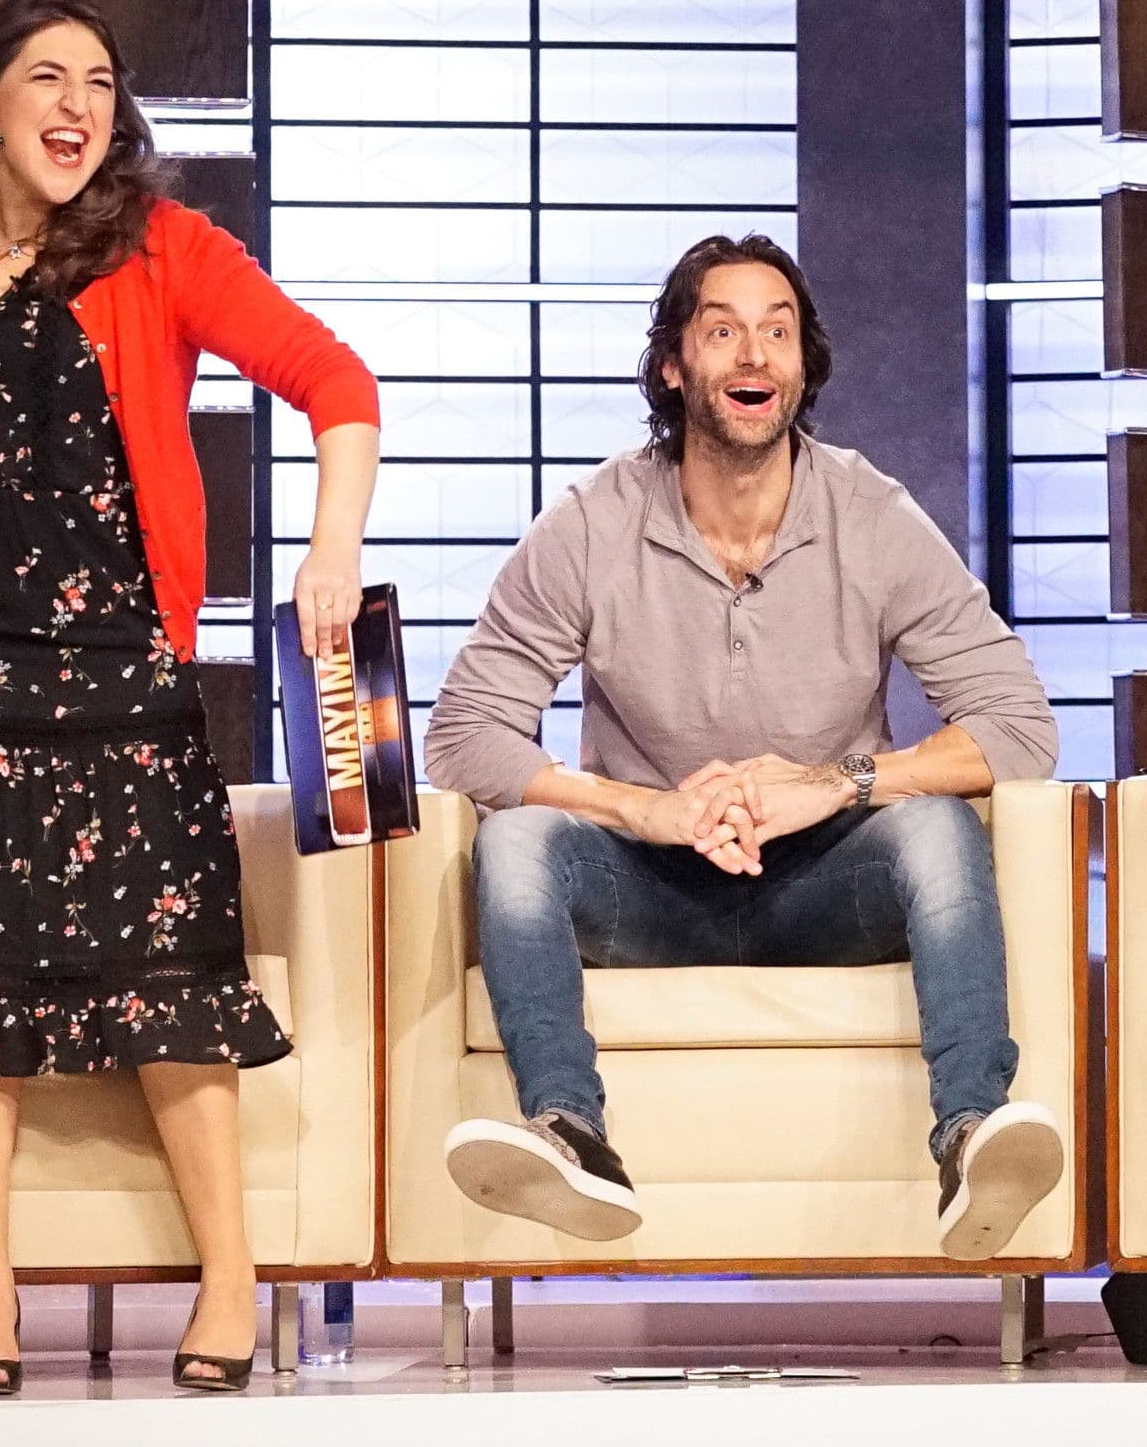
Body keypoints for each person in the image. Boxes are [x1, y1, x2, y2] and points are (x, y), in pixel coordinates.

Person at [0, 0, 381, 1397]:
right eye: (49, 78)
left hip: (109, 662)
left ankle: (229, 1272)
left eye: (101, 82)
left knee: (173, 971)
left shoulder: (161, 244)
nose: (80, 107)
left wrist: (330, 553)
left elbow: (337, 383)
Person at [418, 233, 1067, 1260]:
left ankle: (971, 1133)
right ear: (675, 366)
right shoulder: (592, 524)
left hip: (827, 884)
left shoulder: (873, 516)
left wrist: (837, 782)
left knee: (938, 829)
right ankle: (570, 1131)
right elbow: (462, 735)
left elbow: (1020, 727)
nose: (754, 354)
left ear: (803, 366)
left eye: (777, 331)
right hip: (647, 885)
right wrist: (643, 808)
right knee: (515, 841)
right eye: (722, 332)